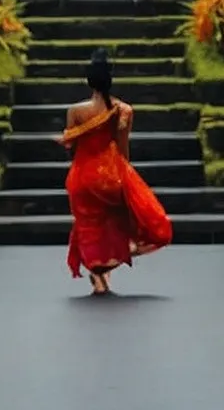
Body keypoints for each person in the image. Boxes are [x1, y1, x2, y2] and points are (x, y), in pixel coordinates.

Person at [62, 47, 173, 293]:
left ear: (88, 80)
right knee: (113, 224)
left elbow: (69, 144)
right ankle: (110, 266)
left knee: (89, 227)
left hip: (82, 175)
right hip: (110, 175)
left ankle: (99, 276)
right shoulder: (124, 110)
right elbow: (122, 149)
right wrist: (126, 178)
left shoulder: (75, 111)